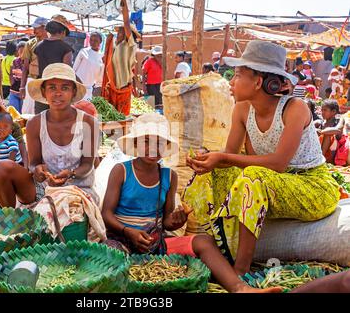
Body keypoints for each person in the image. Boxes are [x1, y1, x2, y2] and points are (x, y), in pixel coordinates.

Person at [183, 40, 340, 276]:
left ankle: (240, 269)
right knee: (220, 171)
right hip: (274, 185)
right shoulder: (242, 109)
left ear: (258, 82)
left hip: (312, 186)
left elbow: (278, 164)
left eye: (237, 75)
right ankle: (224, 244)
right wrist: (206, 160)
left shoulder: (295, 108)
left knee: (252, 176)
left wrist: (224, 157)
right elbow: (230, 159)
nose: (231, 82)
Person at [101, 113, 281, 293]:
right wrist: (128, 231)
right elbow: (106, 214)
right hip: (122, 240)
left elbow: (165, 223)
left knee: (204, 242)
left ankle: (239, 288)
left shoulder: (169, 176)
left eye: (159, 143)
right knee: (110, 254)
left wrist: (177, 220)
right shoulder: (121, 171)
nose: (153, 148)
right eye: (146, 141)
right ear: (135, 143)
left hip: (154, 244)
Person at [0, 63, 99, 207]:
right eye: (52, 87)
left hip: (78, 189)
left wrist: (71, 173)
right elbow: (34, 163)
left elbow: (87, 165)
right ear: (44, 92)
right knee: (2, 167)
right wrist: (38, 171)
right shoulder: (35, 124)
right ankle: (9, 220)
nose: (58, 93)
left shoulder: (88, 122)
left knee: (66, 211)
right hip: (45, 189)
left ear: (73, 92)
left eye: (65, 88)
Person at [102, 0, 139, 116]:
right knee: (111, 118)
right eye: (119, 33)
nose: (119, 35)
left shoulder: (130, 45)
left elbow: (127, 23)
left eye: (122, 32)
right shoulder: (117, 47)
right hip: (113, 87)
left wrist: (124, 4)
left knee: (122, 119)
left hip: (123, 89)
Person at [34, 14, 74, 114]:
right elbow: (68, 72)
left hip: (43, 89)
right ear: (63, 32)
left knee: (42, 121)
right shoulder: (66, 48)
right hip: (59, 93)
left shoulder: (39, 46)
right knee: (58, 123)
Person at [20, 17, 49, 115]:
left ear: (44, 27)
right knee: (27, 112)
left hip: (46, 81)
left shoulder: (52, 42)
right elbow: (25, 68)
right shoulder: (30, 44)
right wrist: (22, 87)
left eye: (37, 28)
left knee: (43, 113)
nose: (34, 30)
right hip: (32, 80)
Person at [0, 112, 24, 183]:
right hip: (2, 166)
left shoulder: (11, 142)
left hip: (14, 166)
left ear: (11, 130)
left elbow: (11, 160)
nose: (1, 129)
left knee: (9, 181)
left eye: (5, 126)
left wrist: (5, 171)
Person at [73, 32, 104, 101]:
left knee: (85, 110)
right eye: (91, 40)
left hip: (89, 90)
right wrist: (78, 83)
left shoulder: (102, 57)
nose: (93, 42)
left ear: (100, 42)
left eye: (95, 40)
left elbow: (99, 80)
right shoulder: (83, 51)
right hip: (77, 86)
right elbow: (73, 70)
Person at [317, 100, 342, 164]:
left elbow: (338, 130)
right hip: (319, 149)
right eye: (322, 110)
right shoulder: (320, 122)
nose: (322, 112)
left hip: (334, 153)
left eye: (325, 110)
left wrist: (321, 132)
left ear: (333, 112)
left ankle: (320, 160)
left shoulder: (339, 120)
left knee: (328, 134)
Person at [142, 46, 163, 112]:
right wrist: (144, 86)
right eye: (158, 55)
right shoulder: (149, 61)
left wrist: (161, 62)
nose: (159, 56)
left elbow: (165, 71)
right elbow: (143, 73)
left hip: (160, 84)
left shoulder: (161, 61)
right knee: (153, 103)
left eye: (160, 55)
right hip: (151, 85)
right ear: (154, 55)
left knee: (160, 101)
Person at [9, 41, 26, 113]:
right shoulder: (14, 61)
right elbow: (11, 74)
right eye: (20, 51)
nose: (22, 53)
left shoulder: (29, 62)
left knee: (23, 113)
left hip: (24, 91)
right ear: (18, 51)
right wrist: (12, 83)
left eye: (24, 51)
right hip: (14, 90)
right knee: (15, 113)